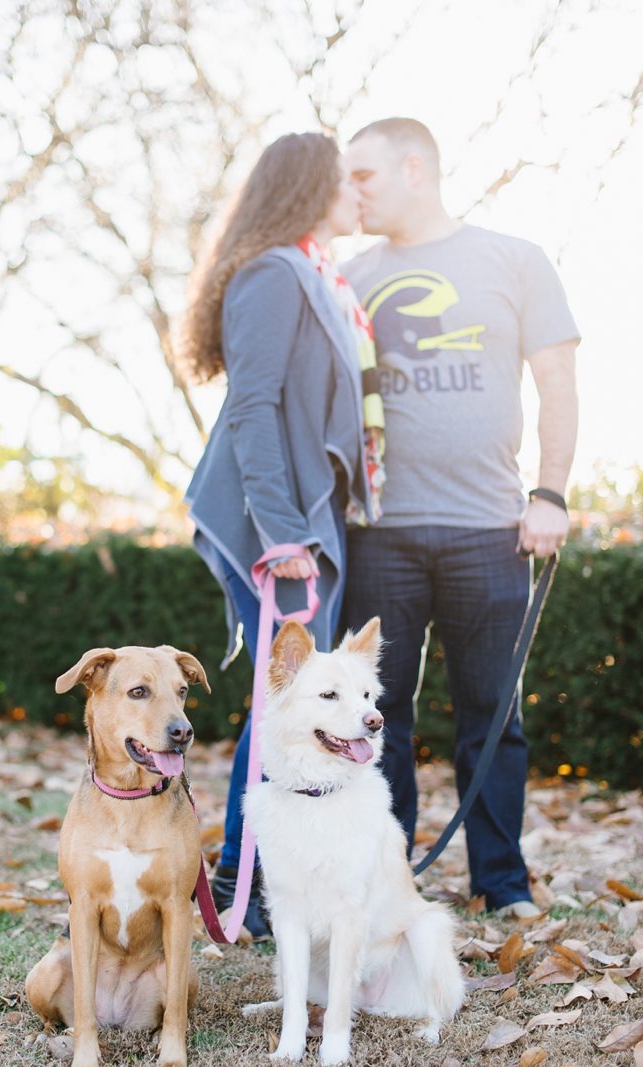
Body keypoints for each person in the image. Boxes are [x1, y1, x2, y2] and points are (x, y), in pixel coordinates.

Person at [341, 118, 580, 917]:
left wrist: (548, 494)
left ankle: (500, 883)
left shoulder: (514, 260)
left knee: (492, 718)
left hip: (489, 531)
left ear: (416, 169)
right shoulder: (350, 275)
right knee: (378, 717)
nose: (352, 193)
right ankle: (385, 878)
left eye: (364, 176)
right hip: (377, 534)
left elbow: (558, 383)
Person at [182, 132, 377, 937]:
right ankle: (246, 888)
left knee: (292, 704)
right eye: (346, 181)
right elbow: (254, 408)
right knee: (287, 708)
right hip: (278, 530)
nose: (359, 194)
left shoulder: (316, 274)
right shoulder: (272, 274)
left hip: (305, 524)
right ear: (308, 188)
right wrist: (283, 534)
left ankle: (257, 882)